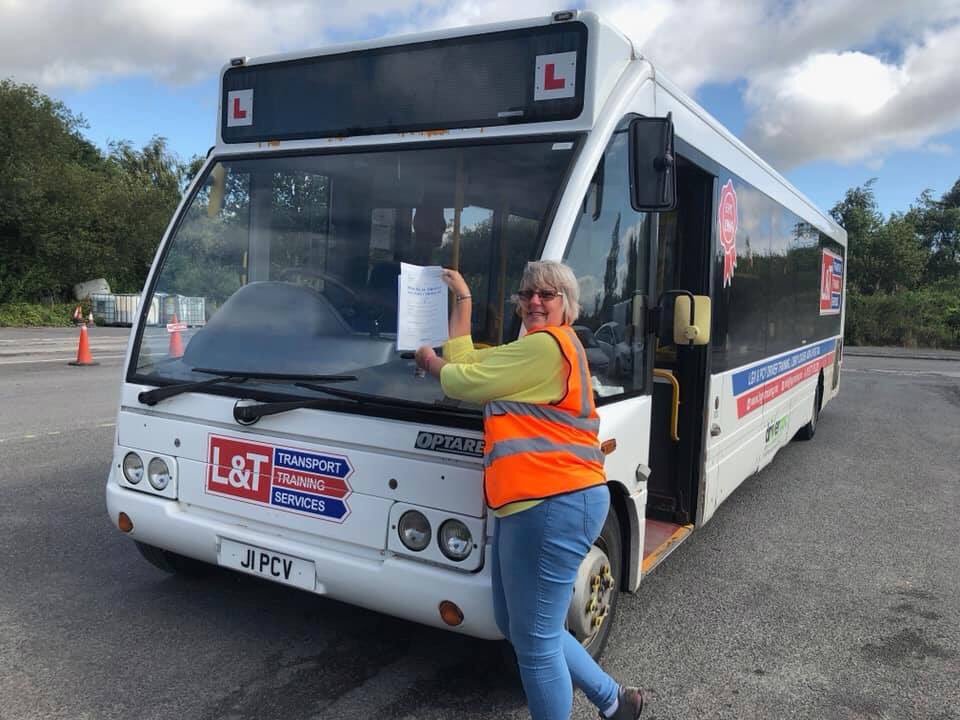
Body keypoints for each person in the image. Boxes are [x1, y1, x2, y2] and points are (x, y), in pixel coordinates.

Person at [415, 260, 644, 720]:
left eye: (548, 294)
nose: (535, 301)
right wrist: (463, 299)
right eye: (528, 294)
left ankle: (612, 701)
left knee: (536, 643)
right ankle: (614, 701)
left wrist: (429, 363)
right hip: (531, 504)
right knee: (516, 625)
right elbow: (469, 360)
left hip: (554, 503)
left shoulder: (547, 349)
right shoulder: (528, 351)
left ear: (567, 306)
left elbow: (463, 379)